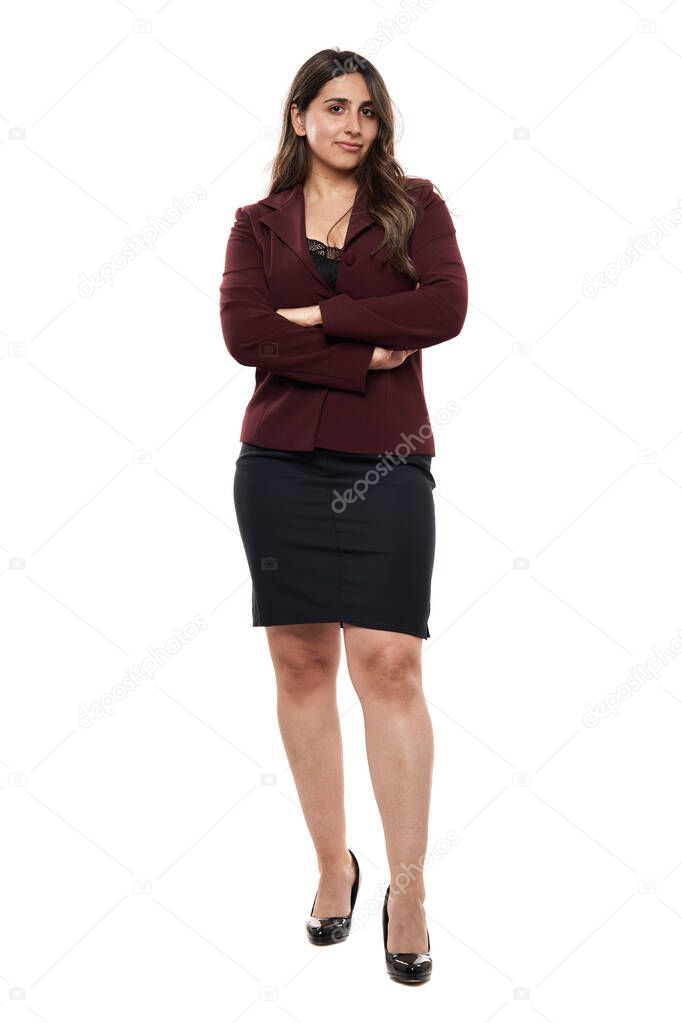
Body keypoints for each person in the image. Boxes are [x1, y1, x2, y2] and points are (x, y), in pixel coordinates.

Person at [219, 47, 467, 984]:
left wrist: (317, 322)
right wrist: (364, 351)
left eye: (366, 109)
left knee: (391, 664)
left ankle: (406, 885)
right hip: (277, 464)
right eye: (333, 106)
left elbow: (444, 307)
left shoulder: (417, 207)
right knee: (301, 659)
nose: (352, 123)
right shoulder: (255, 225)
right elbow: (244, 333)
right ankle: (334, 865)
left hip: (388, 460)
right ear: (299, 119)